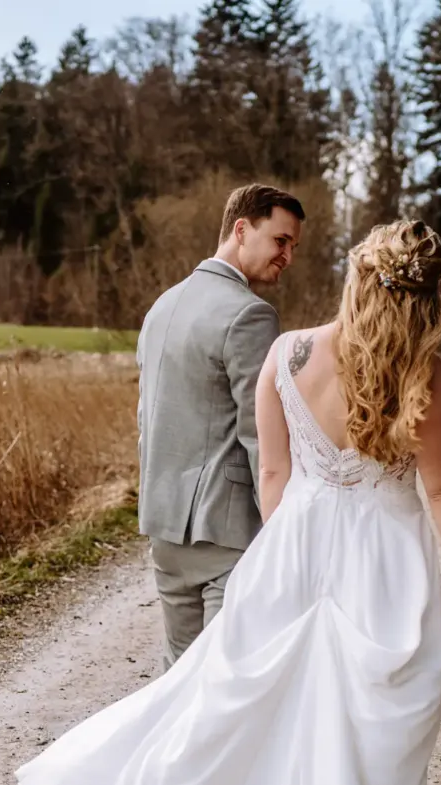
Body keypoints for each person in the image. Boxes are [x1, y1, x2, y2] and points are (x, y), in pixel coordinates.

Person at [16, 220, 441, 785]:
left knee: (257, 730)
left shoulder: (288, 355)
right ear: (428, 299)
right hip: (384, 571)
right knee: (375, 752)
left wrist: (290, 561)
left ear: (356, 277)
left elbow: (272, 477)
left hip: (292, 558)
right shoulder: (425, 375)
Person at [136, 183, 305, 669]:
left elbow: (147, 418)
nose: (288, 256)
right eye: (280, 240)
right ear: (241, 229)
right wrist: (283, 531)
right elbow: (262, 438)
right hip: (227, 532)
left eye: (293, 245)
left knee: (178, 680)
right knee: (223, 681)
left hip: (164, 525)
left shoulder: (161, 306)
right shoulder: (251, 314)